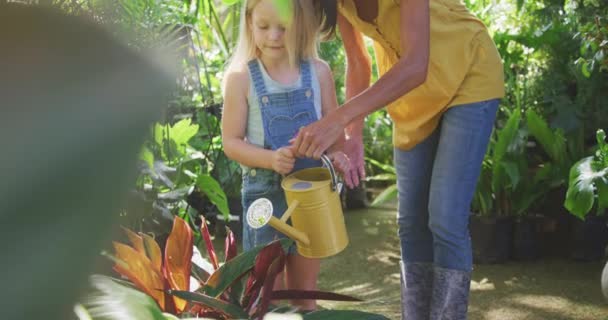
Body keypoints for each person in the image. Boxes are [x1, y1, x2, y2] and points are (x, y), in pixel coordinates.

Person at [294, 1, 505, 319]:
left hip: (468, 77)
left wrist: (338, 118)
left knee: (445, 219)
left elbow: (415, 65)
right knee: (410, 224)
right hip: (413, 100)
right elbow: (358, 61)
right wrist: (353, 135)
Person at [221, 0, 350, 312]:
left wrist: (340, 158)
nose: (274, 36)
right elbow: (231, 142)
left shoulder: (319, 73)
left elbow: (335, 133)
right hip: (265, 198)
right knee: (267, 298)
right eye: (264, 26)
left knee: (305, 296)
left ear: (301, 27)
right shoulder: (241, 78)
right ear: (250, 22)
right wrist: (270, 159)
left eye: (284, 27)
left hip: (311, 196)